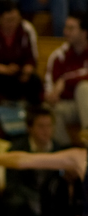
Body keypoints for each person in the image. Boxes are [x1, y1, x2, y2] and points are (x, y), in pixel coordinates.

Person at [2, 107, 62, 216]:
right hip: (24, 200)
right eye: (41, 126)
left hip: (50, 201)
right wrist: (33, 198)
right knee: (14, 203)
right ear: (30, 128)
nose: (46, 131)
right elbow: (12, 184)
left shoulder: (59, 150)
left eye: (49, 126)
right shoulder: (17, 149)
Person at [0, 0, 42, 107]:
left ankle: (32, 109)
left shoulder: (27, 28)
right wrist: (5, 69)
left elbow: (32, 59)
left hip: (18, 74)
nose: (12, 23)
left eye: (15, 19)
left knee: (34, 80)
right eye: (8, 20)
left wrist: (27, 69)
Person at [44, 13, 88, 146]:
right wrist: (50, 96)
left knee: (84, 88)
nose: (65, 32)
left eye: (71, 28)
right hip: (71, 105)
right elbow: (49, 87)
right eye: (65, 28)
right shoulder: (58, 56)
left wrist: (65, 79)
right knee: (53, 110)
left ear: (84, 32)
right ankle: (65, 150)